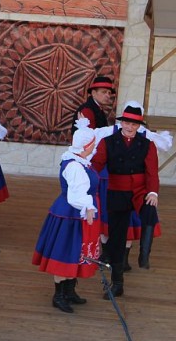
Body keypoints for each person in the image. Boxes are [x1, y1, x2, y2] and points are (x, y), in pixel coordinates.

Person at [91, 105, 160, 297]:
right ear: (121, 123)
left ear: (139, 126)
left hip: (140, 191)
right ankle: (117, 282)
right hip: (117, 191)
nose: (130, 127)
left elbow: (152, 172)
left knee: (150, 213)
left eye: (134, 124)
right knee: (117, 238)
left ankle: (144, 255)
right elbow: (96, 165)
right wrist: (83, 178)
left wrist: (152, 192)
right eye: (127, 123)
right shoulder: (107, 142)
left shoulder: (147, 144)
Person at [32, 119, 101, 313]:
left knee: (76, 251)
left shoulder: (79, 160)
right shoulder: (74, 166)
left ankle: (69, 291)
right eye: (93, 144)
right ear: (86, 146)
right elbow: (76, 194)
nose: (94, 147)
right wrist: (88, 206)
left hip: (77, 213)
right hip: (70, 215)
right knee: (65, 252)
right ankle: (59, 295)